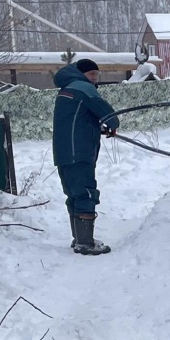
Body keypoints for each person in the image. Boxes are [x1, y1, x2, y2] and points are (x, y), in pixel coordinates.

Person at [52, 58, 119, 256]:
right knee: (86, 193)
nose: (94, 79)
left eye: (96, 75)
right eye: (91, 74)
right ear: (81, 73)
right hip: (79, 152)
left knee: (74, 194)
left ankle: (79, 239)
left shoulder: (67, 89)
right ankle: (85, 243)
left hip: (64, 152)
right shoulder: (84, 88)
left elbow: (78, 119)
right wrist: (112, 125)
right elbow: (108, 113)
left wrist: (98, 127)